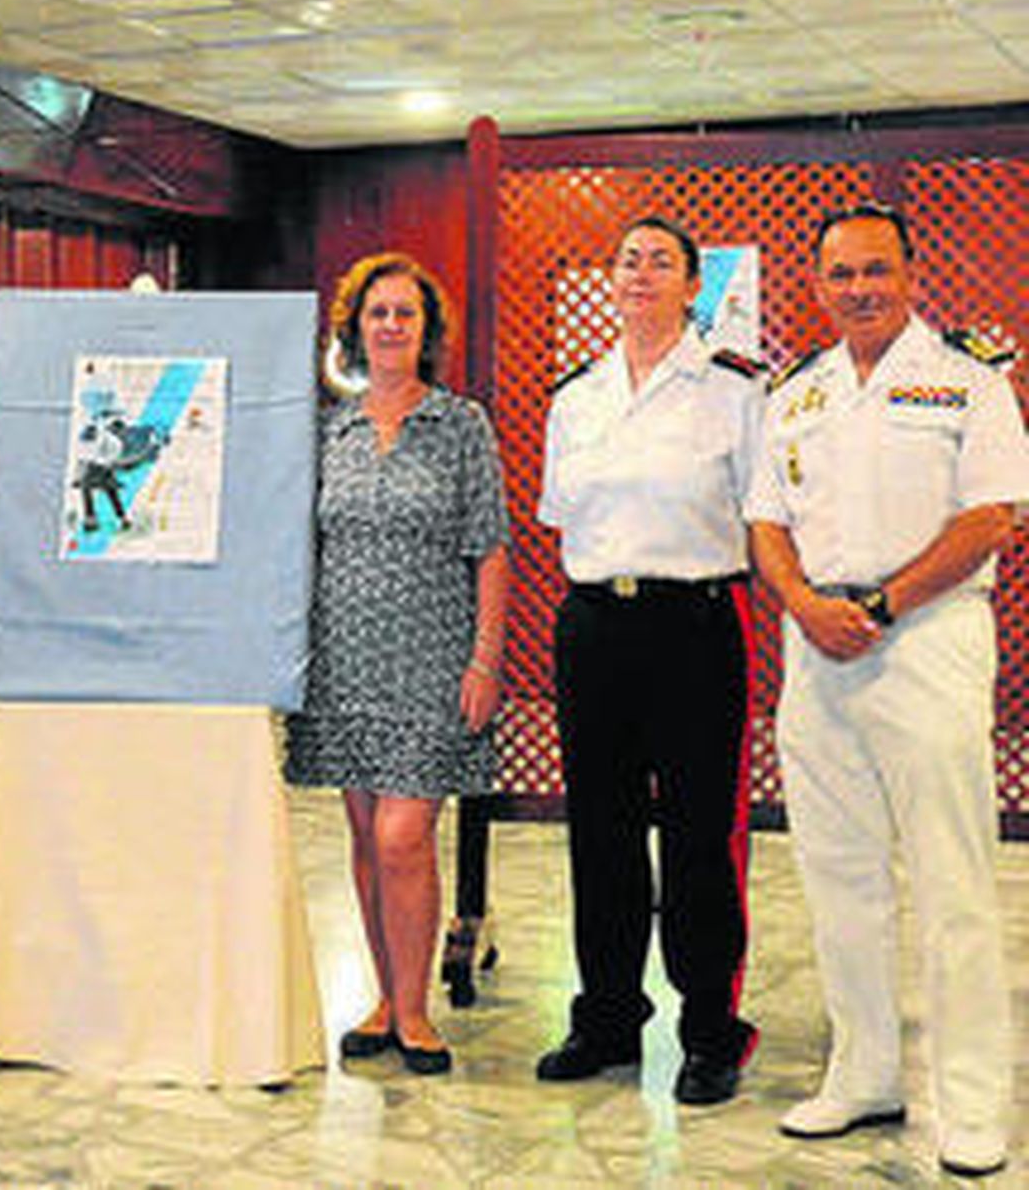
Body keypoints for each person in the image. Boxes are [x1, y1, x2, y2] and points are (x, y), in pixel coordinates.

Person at [747, 203, 1027, 1177]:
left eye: (876, 270)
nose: (859, 288)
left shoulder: (969, 380)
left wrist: (879, 603)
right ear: (817, 284)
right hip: (815, 649)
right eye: (841, 273)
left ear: (909, 275)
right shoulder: (797, 391)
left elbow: (992, 517)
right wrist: (802, 603)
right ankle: (863, 1073)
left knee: (953, 880)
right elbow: (766, 520)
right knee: (838, 876)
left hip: (927, 641)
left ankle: (972, 1104)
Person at [535, 216, 762, 1106]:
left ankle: (709, 1029)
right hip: (595, 626)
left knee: (699, 834)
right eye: (628, 259)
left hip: (694, 625)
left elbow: (763, 517)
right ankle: (606, 1017)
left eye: (660, 261)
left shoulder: (734, 391)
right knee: (601, 831)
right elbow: (565, 517)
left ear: (693, 284)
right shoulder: (577, 396)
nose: (639, 273)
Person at [285, 251, 510, 1076]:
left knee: (402, 835)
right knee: (364, 836)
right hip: (342, 662)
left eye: (404, 313)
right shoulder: (327, 430)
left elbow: (492, 547)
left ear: (426, 330)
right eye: (376, 312)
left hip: (432, 662)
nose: (389, 325)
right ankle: (384, 997)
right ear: (354, 328)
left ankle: (415, 1011)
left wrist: (485, 658)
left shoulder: (460, 425)